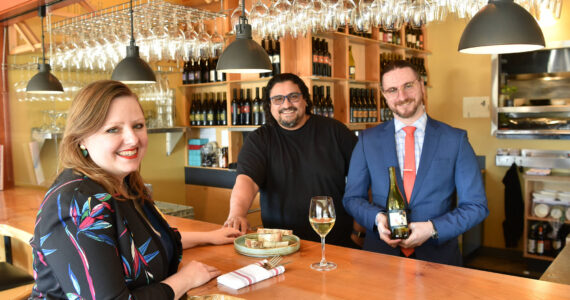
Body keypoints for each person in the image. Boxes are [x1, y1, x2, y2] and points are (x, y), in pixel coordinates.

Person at [30, 80, 240, 300]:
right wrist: (184, 280)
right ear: (82, 139)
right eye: (113, 129)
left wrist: (209, 237)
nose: (132, 139)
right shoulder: (78, 203)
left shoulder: (124, 183)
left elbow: (146, 242)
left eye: (138, 125)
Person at [342, 60, 489, 266]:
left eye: (408, 86)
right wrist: (377, 219)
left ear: (421, 85)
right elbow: (352, 198)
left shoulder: (455, 140)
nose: (401, 97)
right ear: (384, 95)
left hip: (439, 260)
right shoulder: (367, 140)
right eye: (392, 90)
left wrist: (431, 228)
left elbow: (476, 205)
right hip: (380, 259)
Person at [223, 73, 358, 247]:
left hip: (336, 242)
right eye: (278, 99)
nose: (286, 104)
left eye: (293, 97)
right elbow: (247, 180)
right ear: (270, 105)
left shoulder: (335, 131)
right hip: (281, 244)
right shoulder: (260, 139)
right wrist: (237, 213)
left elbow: (363, 176)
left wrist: (359, 229)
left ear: (305, 100)